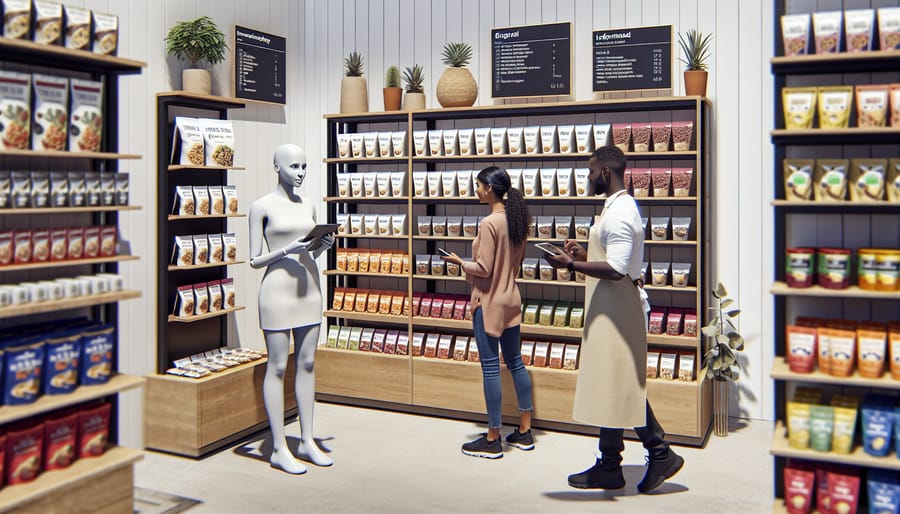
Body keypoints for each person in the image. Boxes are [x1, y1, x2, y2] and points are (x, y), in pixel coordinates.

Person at [543, 145, 683, 492]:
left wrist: (571, 265)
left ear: (605, 172)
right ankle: (610, 465)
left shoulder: (620, 213)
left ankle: (660, 451)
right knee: (611, 380)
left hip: (618, 307)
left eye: (591, 172)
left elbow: (618, 269)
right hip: (610, 305)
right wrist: (583, 252)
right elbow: (612, 256)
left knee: (622, 382)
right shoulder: (616, 207)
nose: (588, 178)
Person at [248, 144, 335, 474]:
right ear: (277, 167)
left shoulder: (309, 204)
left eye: (304, 166)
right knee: (278, 365)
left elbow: (309, 254)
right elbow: (255, 260)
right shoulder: (261, 207)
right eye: (294, 166)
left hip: (309, 289)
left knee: (308, 362)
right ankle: (279, 448)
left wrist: (321, 247)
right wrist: (286, 249)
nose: (300, 172)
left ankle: (307, 440)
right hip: (276, 292)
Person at [441, 166, 535, 459]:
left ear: (490, 189)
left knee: (491, 368)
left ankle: (493, 437)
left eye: (479, 186)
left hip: (489, 302)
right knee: (516, 363)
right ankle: (524, 430)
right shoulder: (518, 219)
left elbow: (484, 268)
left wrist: (459, 262)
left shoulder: (489, 224)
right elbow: (513, 265)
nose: (477, 190)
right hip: (511, 299)